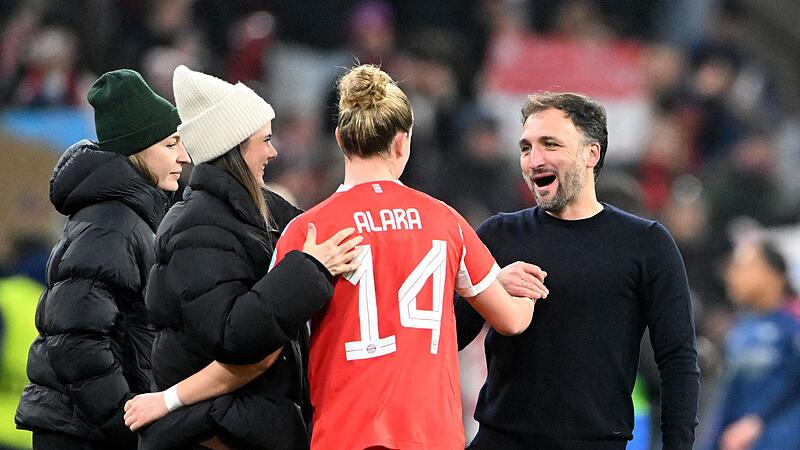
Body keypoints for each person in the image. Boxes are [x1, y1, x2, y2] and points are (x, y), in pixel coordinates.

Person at [125, 64, 541, 450]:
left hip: (344, 436)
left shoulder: (309, 232)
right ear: (403, 140)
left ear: (340, 139)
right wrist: (520, 286)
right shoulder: (445, 222)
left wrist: (169, 399)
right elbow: (512, 320)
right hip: (434, 437)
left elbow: (258, 358)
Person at [125, 65, 361, 450]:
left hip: (246, 428)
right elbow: (235, 335)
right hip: (211, 435)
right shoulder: (196, 227)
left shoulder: (262, 210)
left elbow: (325, 233)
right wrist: (310, 269)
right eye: (264, 140)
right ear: (233, 146)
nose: (273, 150)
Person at [456, 92, 700, 450]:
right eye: (526, 148)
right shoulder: (498, 235)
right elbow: (448, 337)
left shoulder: (647, 243)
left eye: (550, 144)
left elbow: (678, 359)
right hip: (500, 440)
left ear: (592, 154)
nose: (534, 159)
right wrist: (485, 287)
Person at [14, 69, 189, 449]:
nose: (184, 156)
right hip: (83, 433)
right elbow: (75, 335)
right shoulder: (113, 223)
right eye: (171, 145)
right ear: (139, 150)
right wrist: (124, 417)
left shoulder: (124, 216)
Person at [706, 238, 800, 450]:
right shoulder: (741, 330)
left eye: (744, 266)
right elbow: (730, 396)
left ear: (774, 274)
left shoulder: (793, 324)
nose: (732, 275)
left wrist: (757, 422)